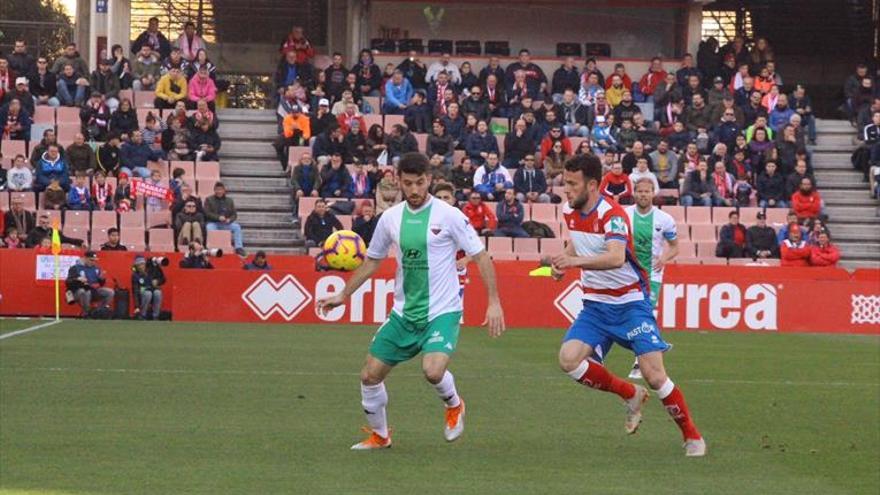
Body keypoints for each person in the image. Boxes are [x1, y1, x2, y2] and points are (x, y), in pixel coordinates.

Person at [317, 152, 504, 449]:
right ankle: (380, 435)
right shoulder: (390, 219)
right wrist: (343, 294)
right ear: (399, 182)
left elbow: (481, 256)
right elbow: (372, 261)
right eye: (408, 184)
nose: (415, 190)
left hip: (442, 311)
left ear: (429, 179)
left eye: (420, 183)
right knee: (369, 375)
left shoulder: (450, 215)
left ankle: (454, 405)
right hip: (404, 314)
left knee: (432, 371)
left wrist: (493, 301)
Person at [549, 154, 704, 456]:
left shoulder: (613, 214)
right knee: (568, 359)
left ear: (592, 185)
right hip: (595, 305)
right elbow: (577, 240)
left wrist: (574, 261)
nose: (565, 190)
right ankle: (630, 394)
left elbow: (616, 256)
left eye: (571, 183)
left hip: (630, 304)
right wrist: (562, 260)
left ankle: (692, 436)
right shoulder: (570, 209)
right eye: (564, 183)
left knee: (655, 375)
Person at [624, 177, 679, 378]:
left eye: (647, 191)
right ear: (634, 193)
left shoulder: (665, 219)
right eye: (640, 191)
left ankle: (640, 360)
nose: (643, 195)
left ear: (653, 193)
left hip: (652, 275)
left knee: (647, 312)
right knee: (626, 313)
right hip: (627, 273)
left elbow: (675, 246)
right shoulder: (624, 215)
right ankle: (652, 346)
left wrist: (664, 258)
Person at [65, 251, 114, 317]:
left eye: (94, 260)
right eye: (91, 260)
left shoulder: (96, 268)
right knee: (85, 292)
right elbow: (68, 282)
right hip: (78, 291)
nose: (93, 262)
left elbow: (101, 284)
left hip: (93, 290)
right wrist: (77, 279)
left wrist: (102, 279)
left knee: (110, 292)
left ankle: (99, 311)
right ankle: (86, 312)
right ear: (85, 258)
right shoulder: (75, 268)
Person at [204, 182, 245, 256]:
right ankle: (213, 247)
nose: (219, 191)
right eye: (217, 190)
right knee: (209, 227)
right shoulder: (209, 199)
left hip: (226, 223)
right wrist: (218, 217)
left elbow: (234, 214)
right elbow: (207, 213)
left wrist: (230, 220)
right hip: (213, 223)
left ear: (224, 190)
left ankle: (239, 247)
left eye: (220, 189)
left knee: (237, 227)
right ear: (214, 190)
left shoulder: (229, 201)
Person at [131, 255, 163, 320]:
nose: (141, 266)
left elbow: (162, 278)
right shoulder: (135, 275)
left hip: (152, 290)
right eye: (139, 265)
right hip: (142, 294)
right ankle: (143, 315)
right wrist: (136, 306)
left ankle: (155, 316)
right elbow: (135, 291)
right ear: (136, 266)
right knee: (147, 293)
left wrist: (157, 281)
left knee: (158, 293)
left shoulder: (151, 270)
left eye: (142, 264)